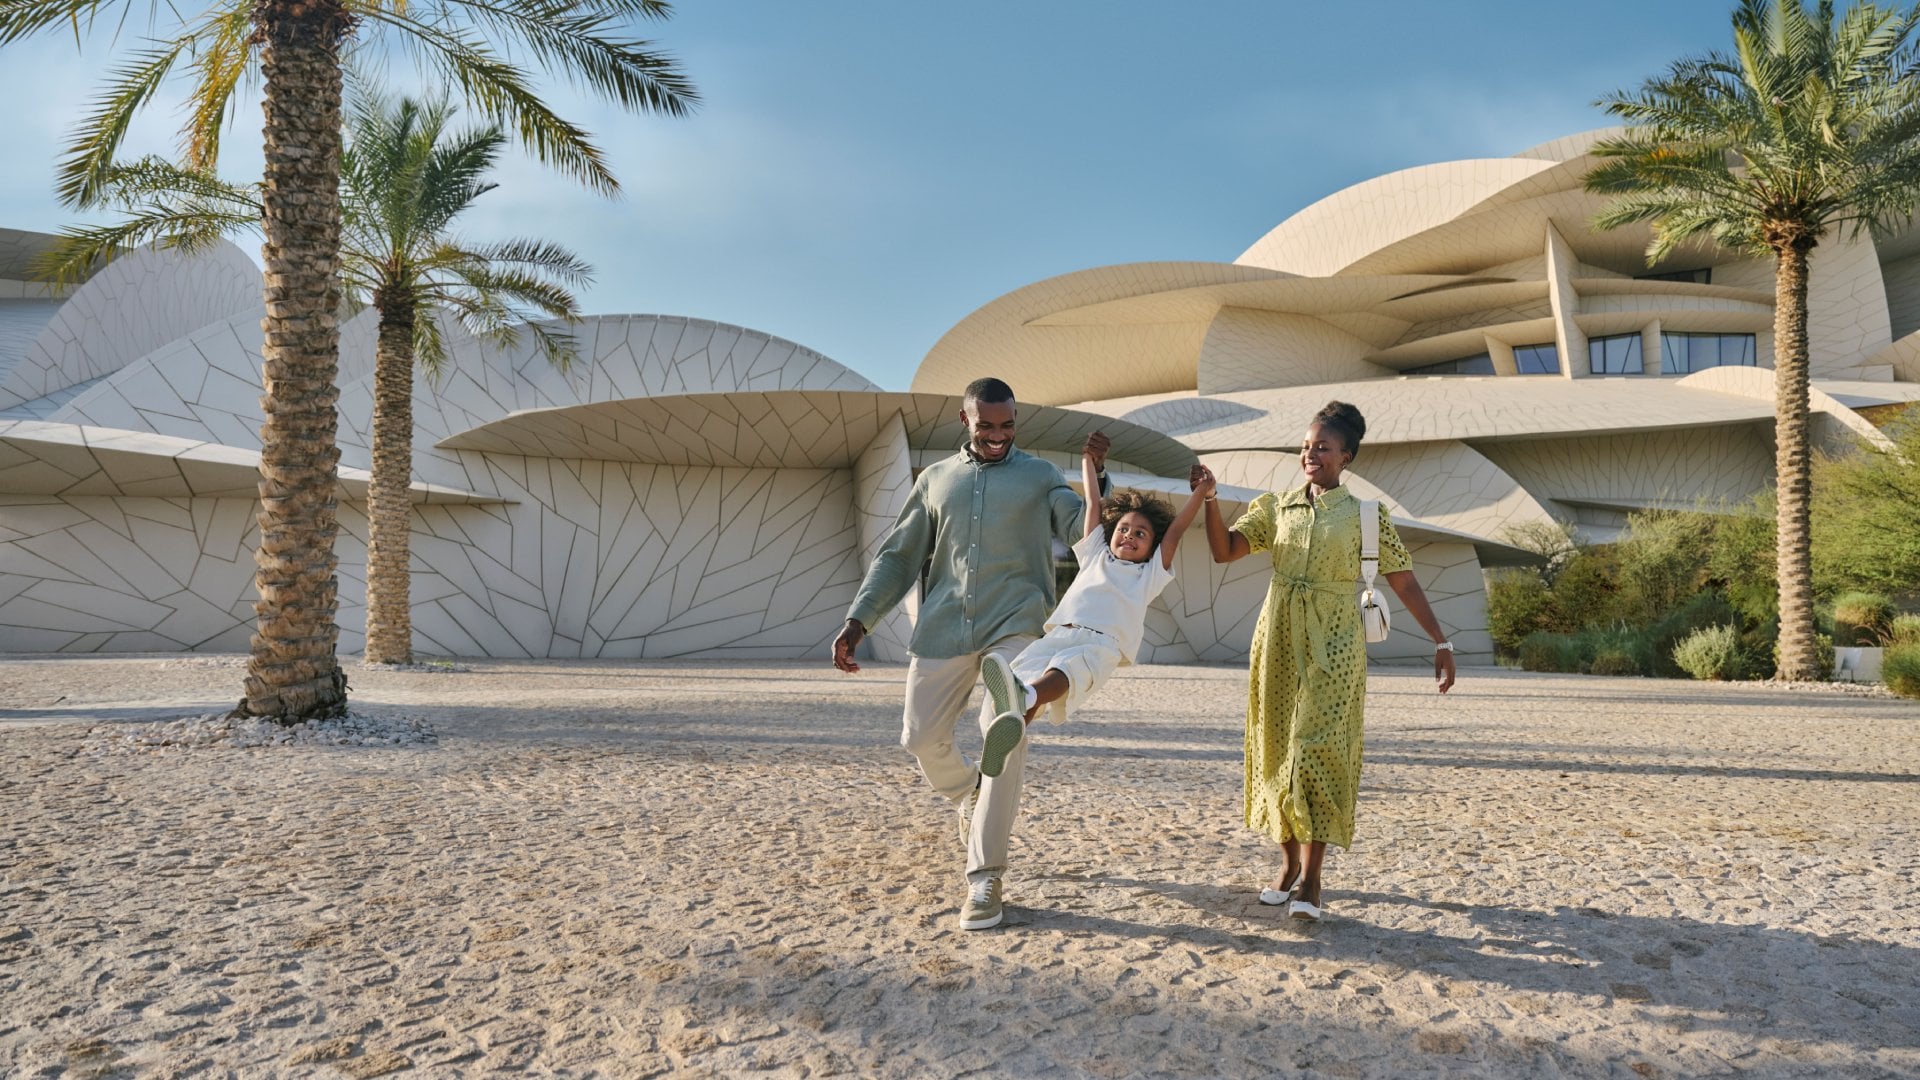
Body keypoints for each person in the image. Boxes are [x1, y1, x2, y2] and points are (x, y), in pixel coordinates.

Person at [831, 377, 1109, 931]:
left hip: (1016, 623)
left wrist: (1094, 478)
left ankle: (985, 877)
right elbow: (898, 555)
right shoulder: (935, 480)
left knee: (1002, 724)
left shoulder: (1039, 476)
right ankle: (968, 795)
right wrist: (858, 620)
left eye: (1007, 425)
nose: (999, 435)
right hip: (944, 627)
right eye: (987, 426)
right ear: (966, 421)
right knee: (918, 736)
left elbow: (1080, 528)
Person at [1195, 400, 1456, 922]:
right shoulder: (1275, 506)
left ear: (1346, 457)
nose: (1311, 454)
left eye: (1323, 447)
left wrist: (1440, 640)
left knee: (1317, 751)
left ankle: (1313, 881)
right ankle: (1288, 866)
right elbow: (1225, 551)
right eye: (1307, 446)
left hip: (1336, 640)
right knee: (1276, 750)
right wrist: (1209, 499)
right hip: (1279, 636)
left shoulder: (1367, 515)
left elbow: (1403, 579)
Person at [979, 444, 1207, 730]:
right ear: (1112, 533)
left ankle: (1026, 698)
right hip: (1061, 632)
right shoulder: (1095, 554)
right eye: (1123, 529)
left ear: (1153, 547)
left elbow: (1176, 530)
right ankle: (1011, 730)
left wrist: (1201, 492)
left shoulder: (1150, 573)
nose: (1128, 536)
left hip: (1101, 644)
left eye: (1140, 534)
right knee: (1020, 675)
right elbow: (1093, 500)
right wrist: (1089, 460)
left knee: (1064, 671)